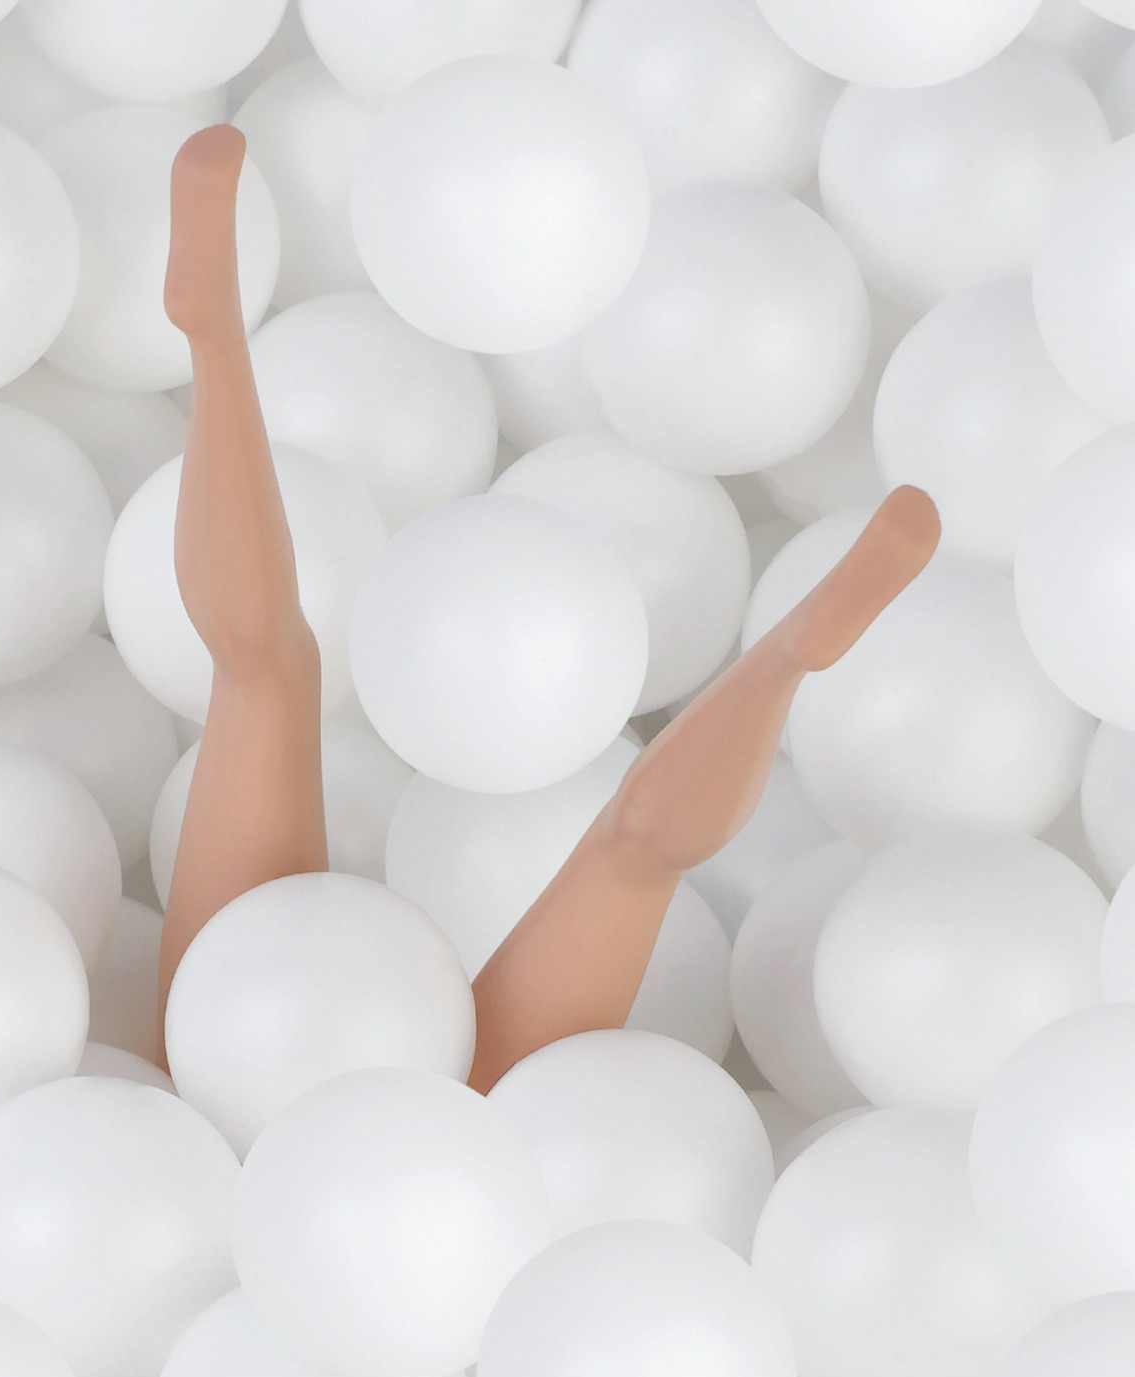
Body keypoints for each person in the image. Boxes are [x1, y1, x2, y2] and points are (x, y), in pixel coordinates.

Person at [157, 123, 941, 1092]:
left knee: (273, 681)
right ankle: (787, 656)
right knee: (617, 848)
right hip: (366, 1101)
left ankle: (790, 656)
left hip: (262, 1085)